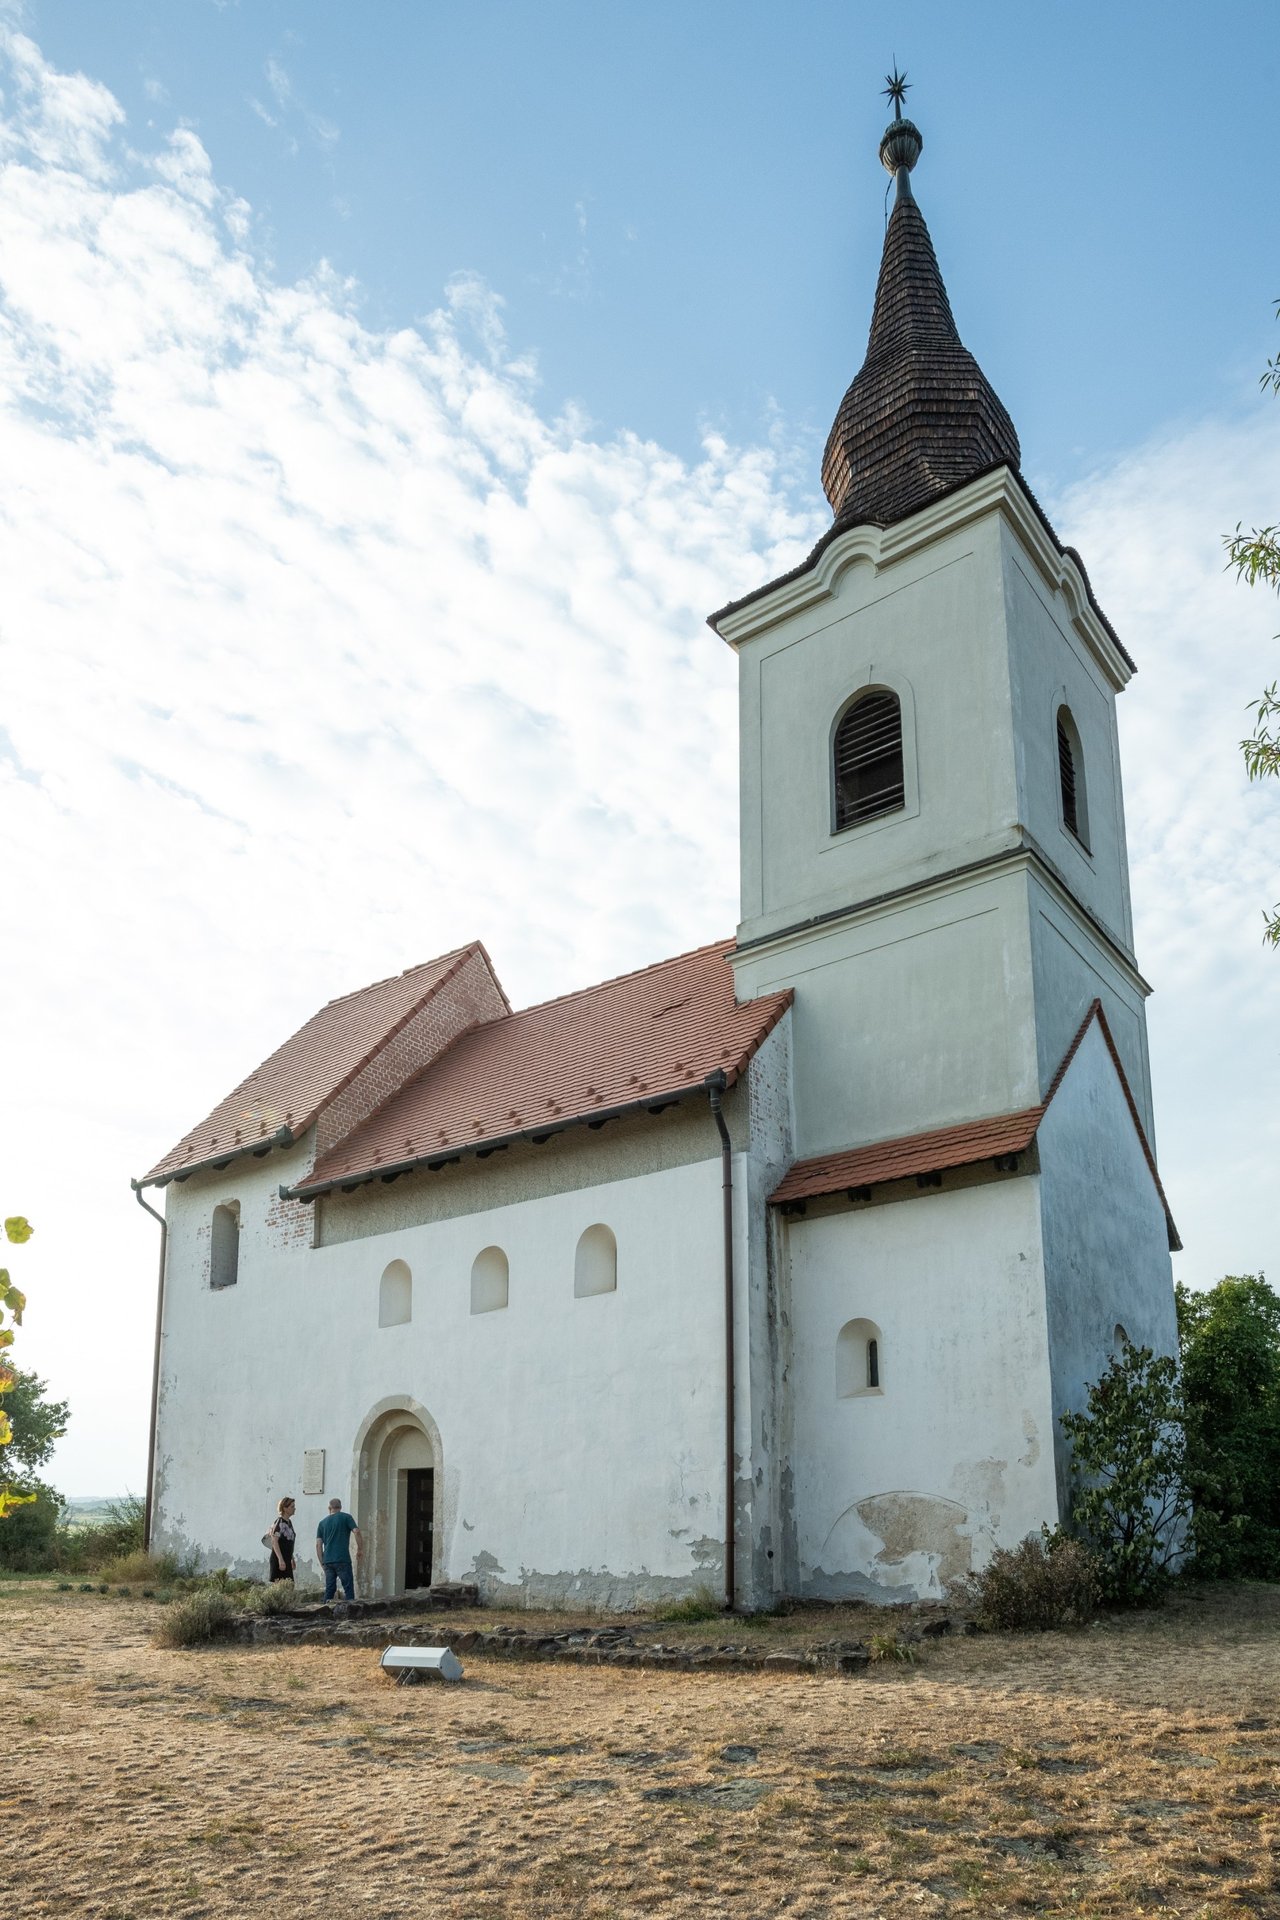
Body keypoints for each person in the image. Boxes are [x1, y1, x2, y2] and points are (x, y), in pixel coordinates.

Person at [315, 1496, 361, 1603]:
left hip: (328, 1560)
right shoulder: (346, 1517)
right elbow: (356, 1531)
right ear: (340, 1507)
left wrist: (322, 1562)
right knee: (348, 1588)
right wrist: (360, 1549)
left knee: (330, 1589)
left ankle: (325, 1611)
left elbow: (318, 1545)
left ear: (329, 1508)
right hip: (342, 1558)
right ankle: (351, 1611)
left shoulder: (322, 1523)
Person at [266, 1495, 297, 1582]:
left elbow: (289, 1542)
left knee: (289, 1585)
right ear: (285, 1508)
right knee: (281, 1586)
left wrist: (292, 1558)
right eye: (292, 1506)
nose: (294, 1508)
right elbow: (274, 1541)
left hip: (287, 1558)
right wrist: (280, 1559)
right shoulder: (279, 1522)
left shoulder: (289, 1523)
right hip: (279, 1558)